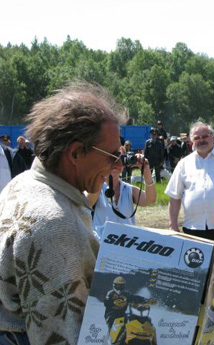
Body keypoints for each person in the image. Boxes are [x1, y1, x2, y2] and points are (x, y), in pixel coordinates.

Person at [0, 81, 126, 344]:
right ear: (76, 152)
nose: (118, 164)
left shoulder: (24, 182)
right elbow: (64, 335)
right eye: (112, 155)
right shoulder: (54, 224)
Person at [165, 122, 214, 243]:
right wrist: (173, 225)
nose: (201, 140)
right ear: (192, 141)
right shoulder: (183, 164)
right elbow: (175, 196)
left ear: (213, 137)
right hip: (193, 229)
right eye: (197, 138)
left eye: (205, 136)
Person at [87, 154, 156, 242]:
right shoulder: (96, 189)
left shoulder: (128, 189)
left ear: (124, 166)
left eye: (121, 161)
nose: (116, 165)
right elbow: (87, 202)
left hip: (127, 244)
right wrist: (101, 172)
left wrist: (146, 170)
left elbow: (150, 200)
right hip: (102, 245)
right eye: (112, 160)